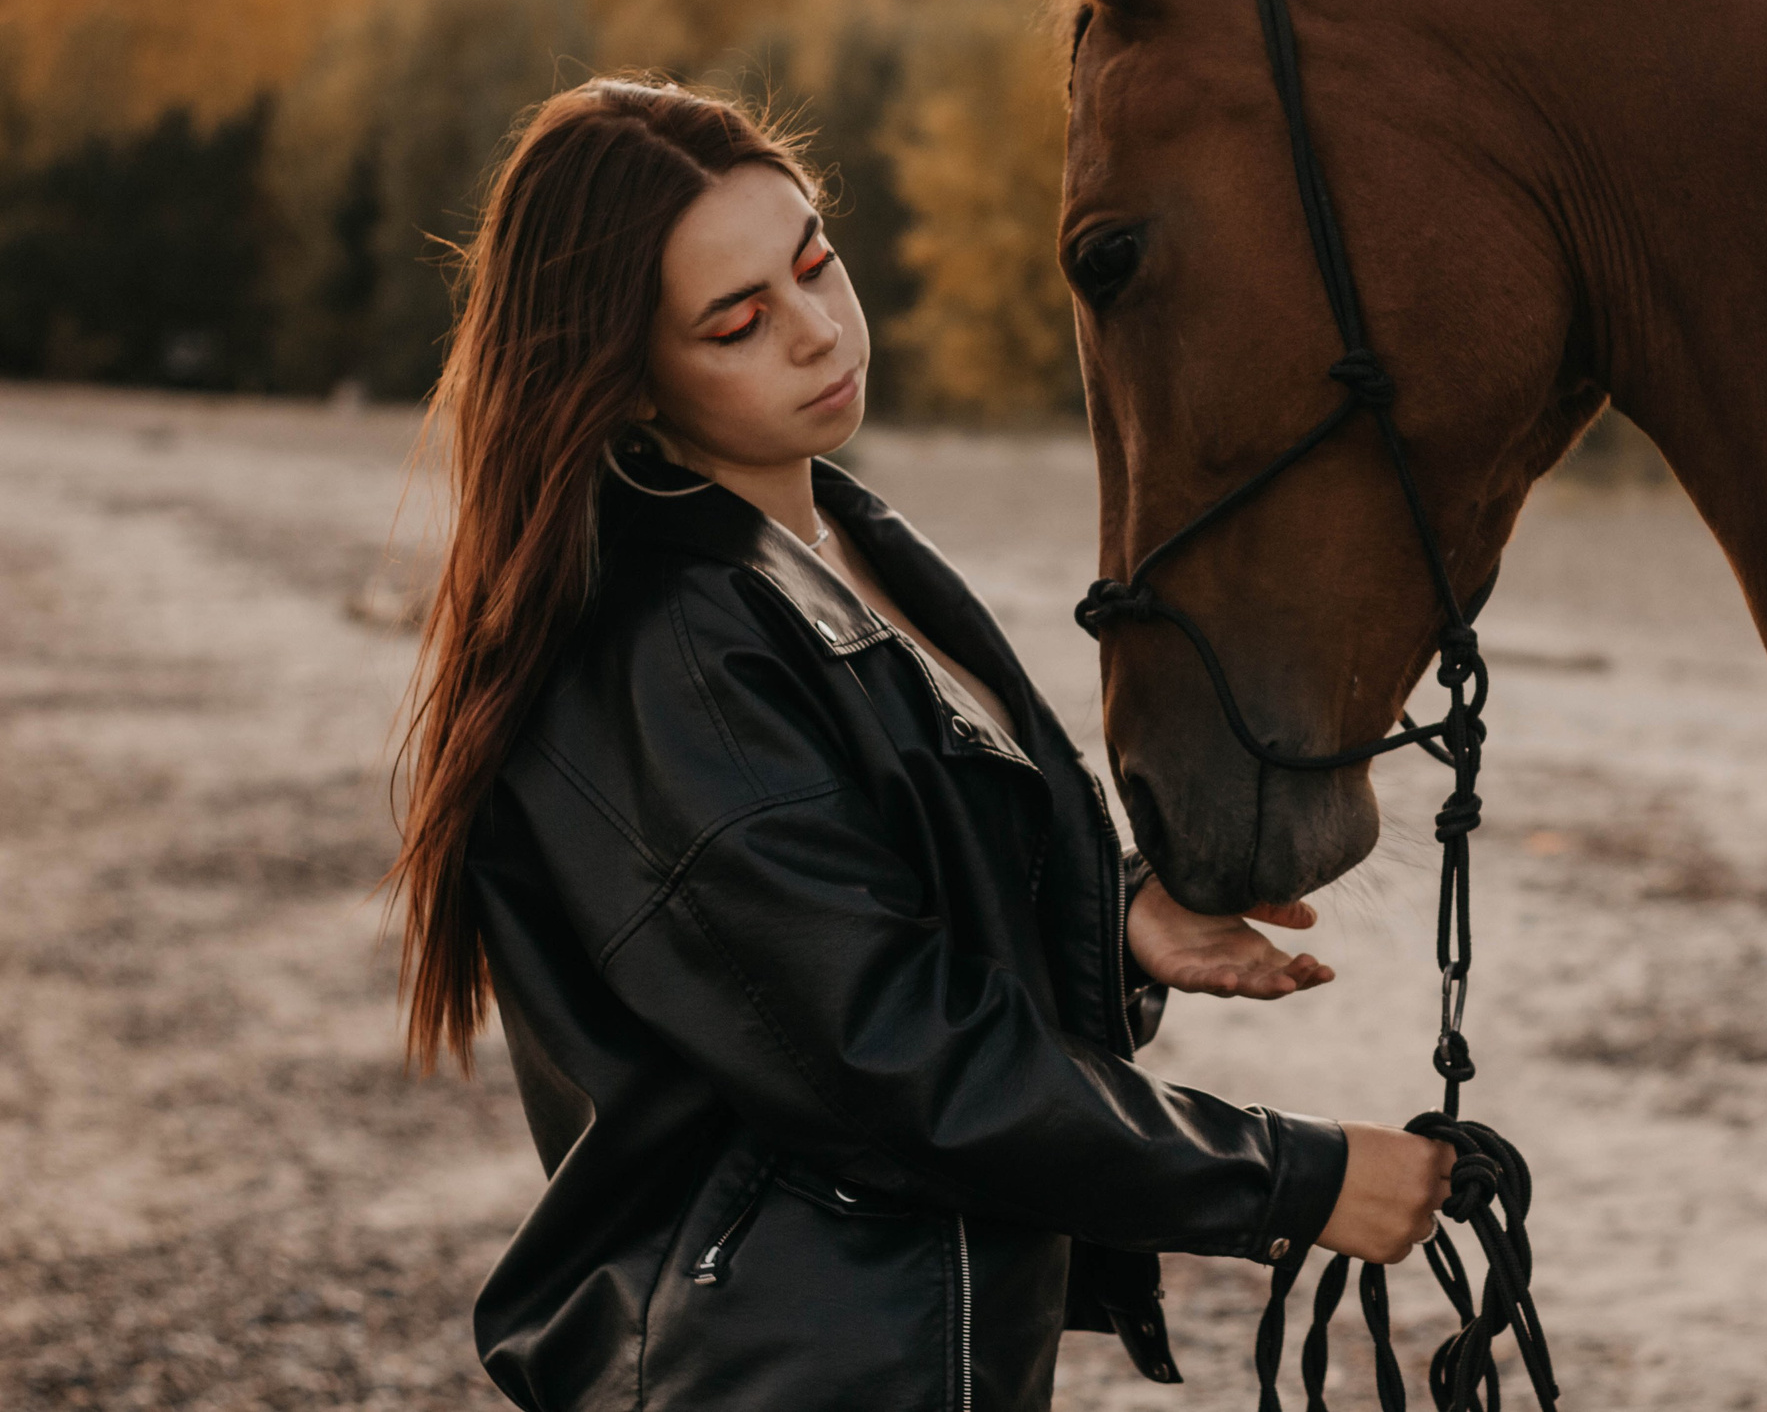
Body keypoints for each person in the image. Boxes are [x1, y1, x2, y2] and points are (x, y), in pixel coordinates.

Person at [385, 77, 1454, 1410]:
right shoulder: (670, 658)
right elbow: (893, 1059)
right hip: (782, 1368)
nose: (817, 330)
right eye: (738, 322)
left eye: (814, 262)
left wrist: (1116, 914)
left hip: (901, 1339)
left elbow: (874, 868)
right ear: (626, 384)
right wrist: (1294, 1179)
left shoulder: (841, 542)